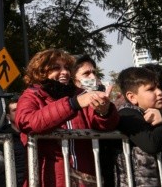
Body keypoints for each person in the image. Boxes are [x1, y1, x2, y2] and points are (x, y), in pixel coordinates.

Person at [15, 48, 118, 187]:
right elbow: (26, 122)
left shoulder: (81, 94)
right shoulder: (32, 95)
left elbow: (105, 125)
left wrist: (104, 111)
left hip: (85, 179)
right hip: (48, 179)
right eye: (56, 68)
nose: (64, 72)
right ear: (40, 72)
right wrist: (72, 104)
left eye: (67, 68)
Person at [0, 95, 27, 186]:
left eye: (21, 109)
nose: (19, 112)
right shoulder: (1, 136)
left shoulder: (35, 133)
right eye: (14, 110)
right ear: (8, 117)